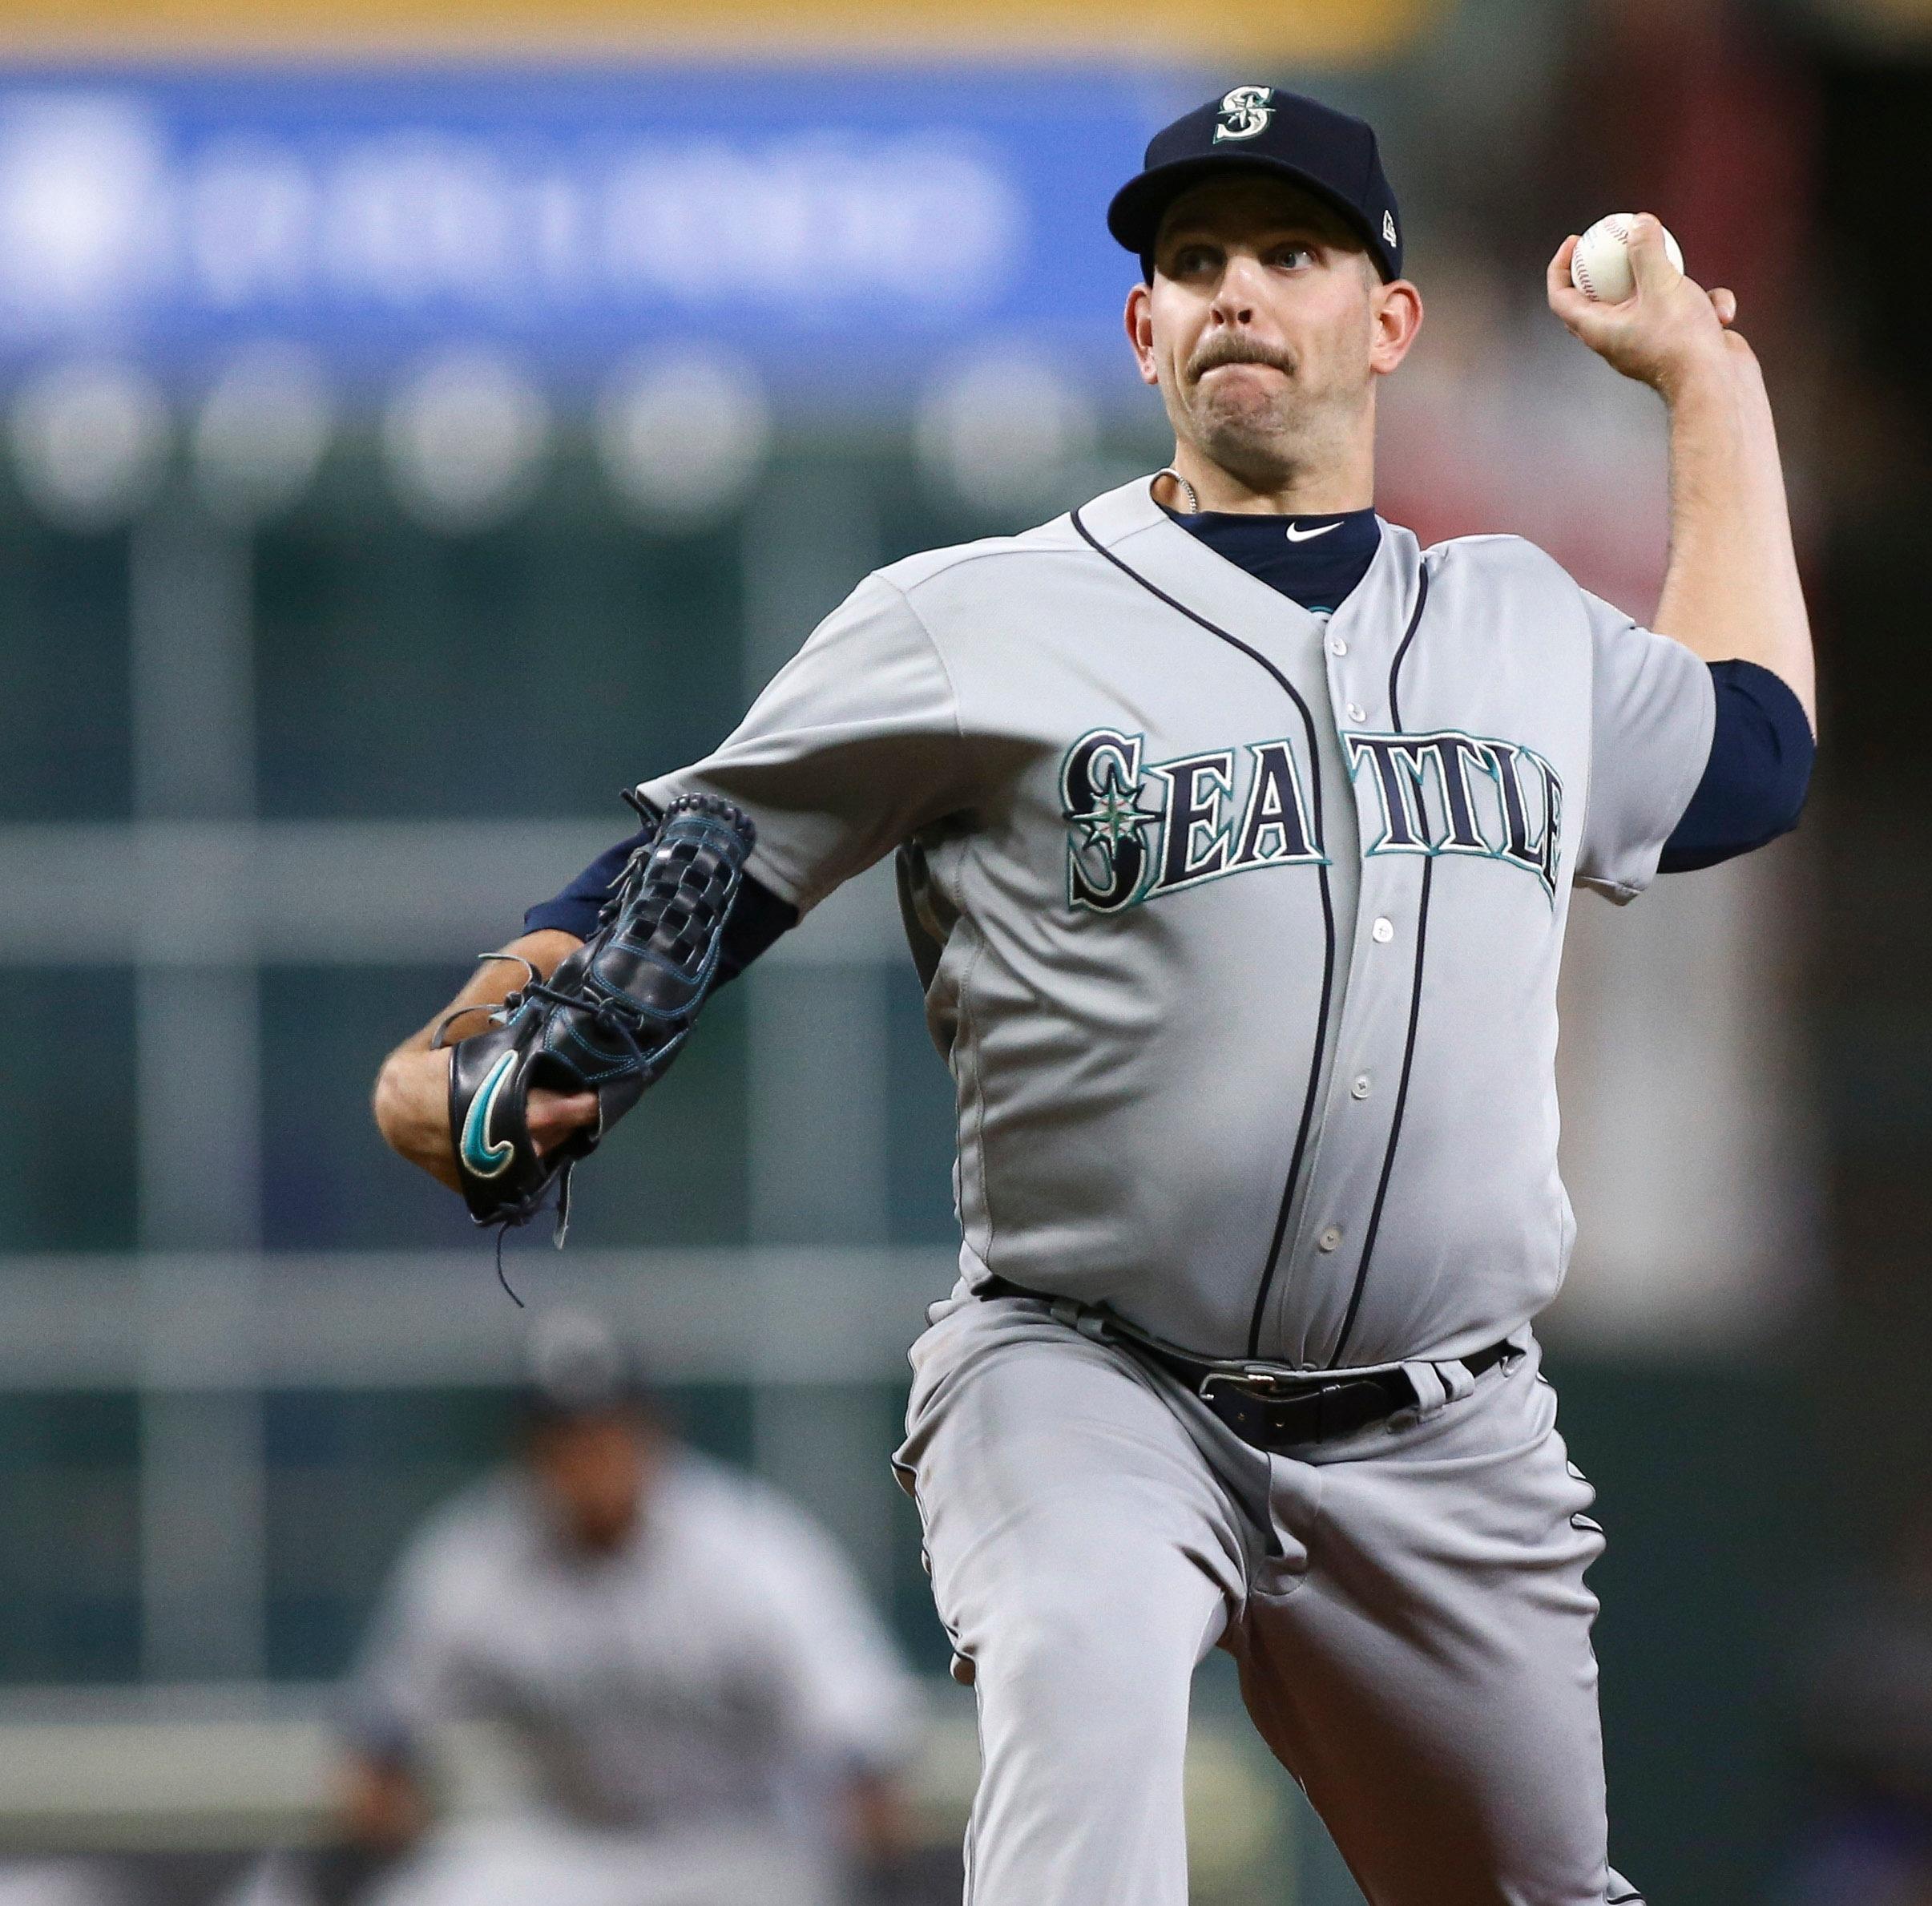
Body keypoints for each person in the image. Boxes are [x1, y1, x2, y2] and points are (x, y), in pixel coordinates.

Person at [373, 85, 1815, 1904]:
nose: (1233, 291)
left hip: (1441, 1429)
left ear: (1387, 320)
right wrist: (462, 1047)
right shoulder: (973, 617)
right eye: (1191, 260)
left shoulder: (1521, 627)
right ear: (1142, 331)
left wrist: (1706, 381)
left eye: (1289, 251)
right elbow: (681, 882)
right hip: (1088, 1378)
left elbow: (1754, 757)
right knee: (1085, 1741)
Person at [330, 1313, 925, 1906]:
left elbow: (864, 1732)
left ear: (652, 1435)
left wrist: (875, 1860)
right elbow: (383, 1735)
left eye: (607, 1433)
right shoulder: (477, 1556)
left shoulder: (750, 1550)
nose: (589, 1460)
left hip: (739, 1844)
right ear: (528, 1451)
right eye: (564, 1438)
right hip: (569, 1848)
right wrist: (373, 1833)